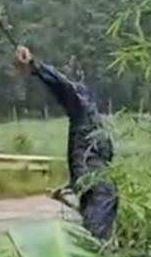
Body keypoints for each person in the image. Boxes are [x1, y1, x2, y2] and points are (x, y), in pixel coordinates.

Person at [15, 46, 118, 241]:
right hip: (96, 181)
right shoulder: (89, 116)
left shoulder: (87, 114)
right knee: (99, 229)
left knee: (97, 231)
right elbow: (63, 87)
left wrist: (34, 65)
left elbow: (64, 87)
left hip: (94, 181)